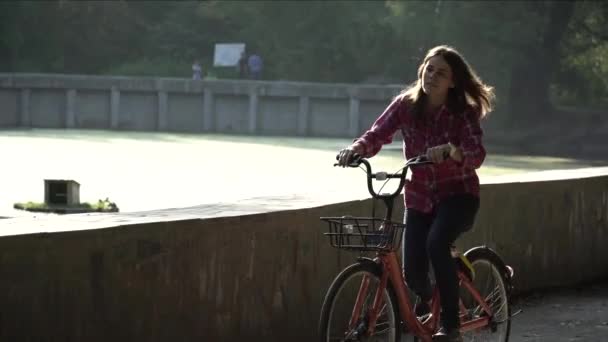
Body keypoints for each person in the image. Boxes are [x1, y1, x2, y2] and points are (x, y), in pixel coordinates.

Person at [337, 45, 494, 342]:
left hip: (458, 196)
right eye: (429, 68)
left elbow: (477, 153)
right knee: (412, 273)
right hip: (420, 197)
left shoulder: (463, 113)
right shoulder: (405, 106)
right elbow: (378, 133)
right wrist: (357, 149)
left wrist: (453, 151)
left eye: (441, 72)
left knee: (436, 243)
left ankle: (450, 326)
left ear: (453, 82)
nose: (432, 76)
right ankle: (437, 293)